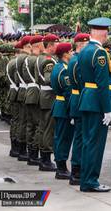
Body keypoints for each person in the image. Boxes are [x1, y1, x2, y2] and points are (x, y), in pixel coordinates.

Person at [78, 17, 111, 192]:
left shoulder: (85, 50)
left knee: (87, 142)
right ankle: (91, 181)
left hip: (87, 99)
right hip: (96, 103)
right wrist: (107, 109)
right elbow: (102, 83)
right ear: (103, 32)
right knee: (95, 144)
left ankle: (85, 179)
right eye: (106, 31)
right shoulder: (99, 53)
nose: (107, 34)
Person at [67, 33, 90, 185]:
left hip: (78, 98)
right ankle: (76, 170)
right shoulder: (77, 61)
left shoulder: (75, 59)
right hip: (79, 98)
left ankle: (78, 168)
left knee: (81, 136)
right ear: (81, 44)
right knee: (80, 137)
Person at [50, 42, 74, 180]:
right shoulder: (64, 70)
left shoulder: (58, 66)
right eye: (70, 52)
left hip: (60, 105)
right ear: (65, 54)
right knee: (63, 138)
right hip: (64, 106)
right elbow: (68, 92)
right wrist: (72, 111)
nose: (72, 54)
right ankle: (61, 168)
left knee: (60, 137)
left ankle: (61, 166)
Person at [37, 34, 60, 172]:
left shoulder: (43, 58)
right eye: (56, 44)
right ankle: (45, 160)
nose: (57, 46)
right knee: (48, 129)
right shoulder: (49, 61)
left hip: (44, 96)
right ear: (50, 45)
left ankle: (44, 158)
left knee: (44, 127)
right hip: (49, 97)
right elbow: (49, 79)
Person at [23, 35, 43, 167]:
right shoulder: (35, 60)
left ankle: (31, 153)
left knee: (30, 125)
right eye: (42, 43)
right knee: (38, 125)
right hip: (35, 93)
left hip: (28, 93)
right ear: (37, 45)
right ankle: (34, 153)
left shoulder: (26, 59)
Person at [15, 35, 32, 162]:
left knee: (22, 121)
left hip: (21, 90)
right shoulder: (25, 58)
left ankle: (20, 149)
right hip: (26, 90)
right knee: (26, 122)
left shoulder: (18, 58)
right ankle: (22, 150)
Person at [7, 43, 21, 157]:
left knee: (15, 120)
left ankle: (14, 147)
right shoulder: (16, 63)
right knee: (18, 120)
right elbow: (18, 80)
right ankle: (15, 147)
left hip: (13, 92)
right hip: (17, 92)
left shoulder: (11, 62)